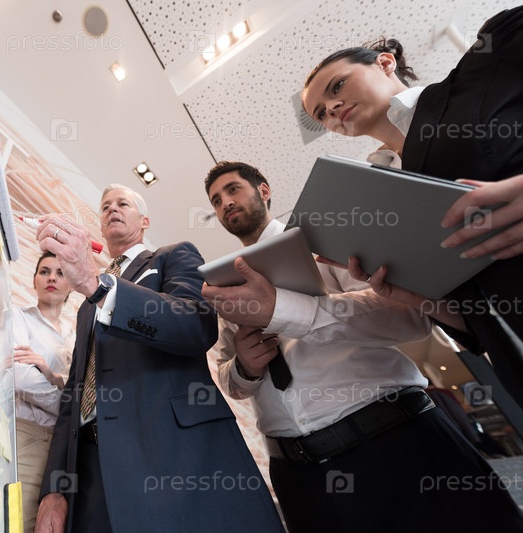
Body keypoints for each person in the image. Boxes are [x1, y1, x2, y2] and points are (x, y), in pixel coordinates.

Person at [201, 161, 523, 532]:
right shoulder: (224, 287)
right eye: (216, 200)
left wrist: (285, 310)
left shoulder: (321, 238)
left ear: (263, 190)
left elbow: (409, 317)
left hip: (396, 444)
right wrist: (244, 367)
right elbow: (229, 380)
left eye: (233, 189)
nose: (225, 202)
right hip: (301, 479)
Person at [301, 6, 523, 406]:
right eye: (320, 114)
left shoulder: (481, 70)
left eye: (337, 87)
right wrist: (416, 298)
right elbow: (474, 317)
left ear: (385, 63)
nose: (330, 110)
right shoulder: (377, 201)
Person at [33, 184, 283, 533]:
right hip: (93, 476)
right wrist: (54, 489)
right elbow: (73, 396)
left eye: (122, 203)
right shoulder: (86, 308)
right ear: (101, 227)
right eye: (105, 207)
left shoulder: (172, 257)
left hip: (173, 458)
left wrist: (99, 286)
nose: (112, 209)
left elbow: (195, 325)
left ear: (144, 221)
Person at [5, 252, 75, 532]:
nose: (51, 278)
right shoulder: (19, 318)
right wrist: (67, 407)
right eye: (44, 271)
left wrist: (50, 372)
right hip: (27, 432)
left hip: (62, 448)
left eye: (60, 273)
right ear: (34, 280)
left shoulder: (75, 336)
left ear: (72, 285)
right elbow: (20, 377)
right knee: (15, 521)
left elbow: (80, 389)